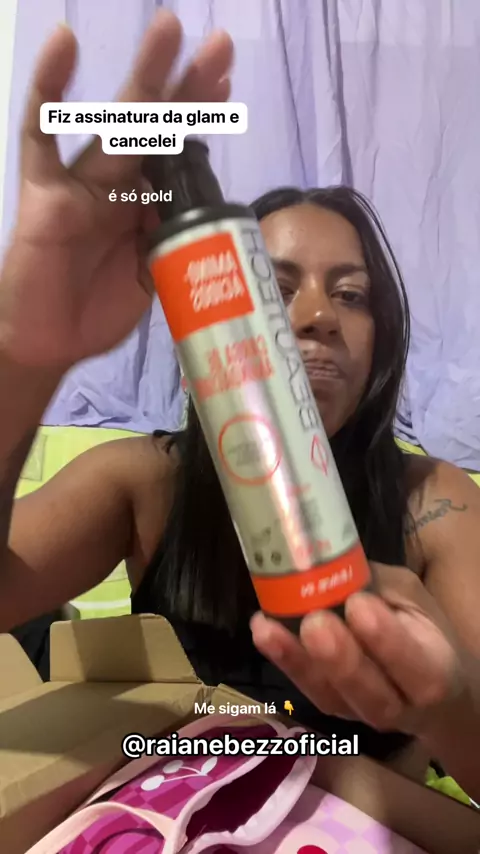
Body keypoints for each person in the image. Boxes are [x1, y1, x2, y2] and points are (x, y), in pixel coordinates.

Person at [0, 9, 478, 800]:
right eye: (276, 287)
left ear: (386, 334)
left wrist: (448, 704)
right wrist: (25, 355)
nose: (315, 316)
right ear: (210, 307)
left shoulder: (436, 503)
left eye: (350, 294)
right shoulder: (143, 480)